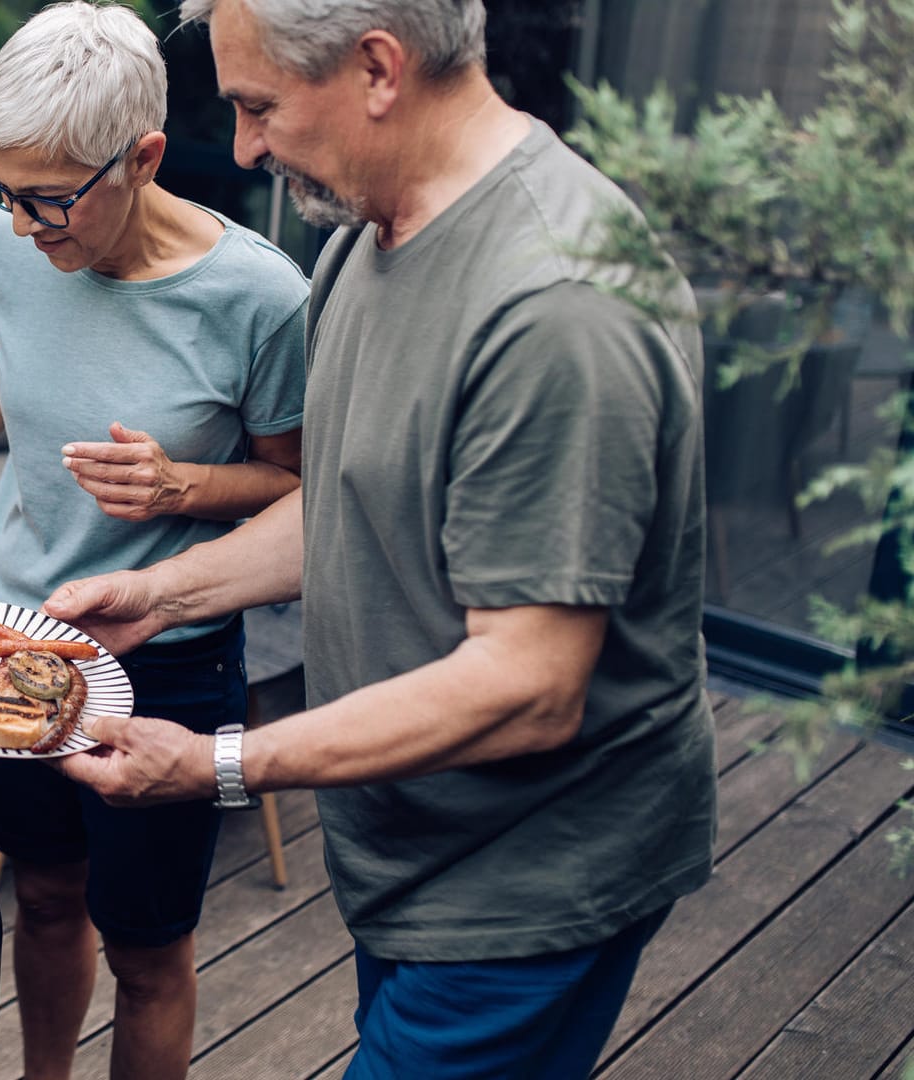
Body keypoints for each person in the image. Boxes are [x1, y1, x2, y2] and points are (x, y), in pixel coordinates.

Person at [45, 1, 717, 1077]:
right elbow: (354, 501)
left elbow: (531, 680)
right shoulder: (365, 231)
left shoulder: (558, 309)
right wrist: (164, 597)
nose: (246, 147)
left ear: (376, 70)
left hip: (522, 885)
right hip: (404, 848)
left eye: (259, 106)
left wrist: (220, 763)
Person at [0, 4, 309, 1076]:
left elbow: (303, 491)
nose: (25, 228)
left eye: (49, 199)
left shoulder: (263, 298)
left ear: (144, 158)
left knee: (148, 952)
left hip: (165, 667)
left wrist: (188, 482)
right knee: (40, 899)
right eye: (4, 190)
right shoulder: (10, 240)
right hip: (6, 642)